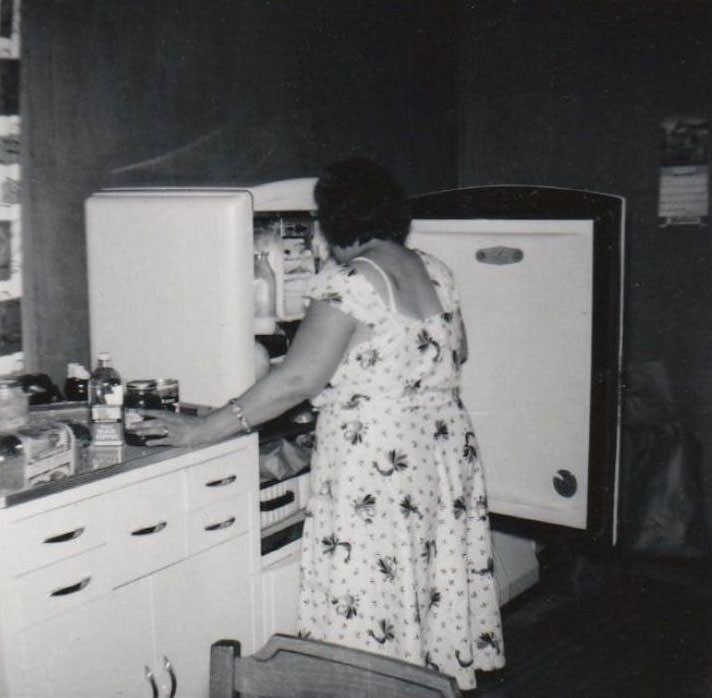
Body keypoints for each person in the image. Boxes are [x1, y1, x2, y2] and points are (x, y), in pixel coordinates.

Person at [137, 158, 505, 690]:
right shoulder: (434, 269)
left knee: (369, 600)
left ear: (332, 220)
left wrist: (201, 430)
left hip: (378, 465)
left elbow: (295, 383)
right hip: (440, 457)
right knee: (422, 586)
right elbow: (455, 349)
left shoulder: (349, 281)